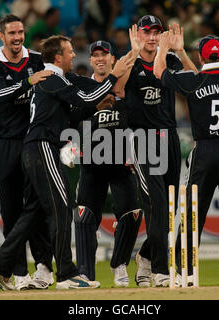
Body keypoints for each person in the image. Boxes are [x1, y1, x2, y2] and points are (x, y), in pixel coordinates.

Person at [0, 35, 133, 289]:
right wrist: (111, 77)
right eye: (70, 51)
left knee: (32, 212)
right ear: (58, 57)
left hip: (34, 149)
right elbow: (83, 100)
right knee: (62, 207)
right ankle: (66, 274)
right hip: (43, 148)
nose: (75, 55)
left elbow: (72, 115)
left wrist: (95, 107)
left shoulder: (53, 80)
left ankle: (0, 267)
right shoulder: (51, 78)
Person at [154, 33, 219, 286]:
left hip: (205, 150)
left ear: (201, 56)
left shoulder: (195, 80)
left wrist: (164, 48)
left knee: (193, 212)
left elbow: (160, 72)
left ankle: (186, 271)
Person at [115, 17, 197, 287]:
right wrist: (134, 52)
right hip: (142, 138)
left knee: (170, 207)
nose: (152, 37)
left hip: (170, 136)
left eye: (157, 33)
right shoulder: (130, 58)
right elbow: (117, 89)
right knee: (157, 205)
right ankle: (161, 270)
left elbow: (195, 81)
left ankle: (147, 257)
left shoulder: (170, 61)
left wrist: (181, 51)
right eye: (147, 32)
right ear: (138, 34)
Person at [0, 14, 55, 291]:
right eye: (11, 33)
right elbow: (0, 94)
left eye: (21, 32)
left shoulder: (36, 59)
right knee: (12, 209)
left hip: (35, 141)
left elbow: (54, 84)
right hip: (8, 143)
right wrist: (29, 82)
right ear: (2, 36)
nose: (17, 38)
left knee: (36, 207)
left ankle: (44, 267)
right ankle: (18, 273)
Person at [69, 40, 142, 287]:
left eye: (104, 54)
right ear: (90, 60)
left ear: (113, 59)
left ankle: (119, 264)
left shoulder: (124, 85)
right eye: (95, 55)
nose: (100, 59)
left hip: (121, 161)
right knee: (84, 216)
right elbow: (70, 119)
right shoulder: (82, 87)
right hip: (91, 162)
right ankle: (85, 272)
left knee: (132, 214)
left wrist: (136, 48)